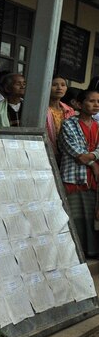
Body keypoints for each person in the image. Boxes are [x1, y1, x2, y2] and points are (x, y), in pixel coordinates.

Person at [59, 89, 99, 258]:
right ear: (79, 104)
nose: (96, 105)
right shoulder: (69, 124)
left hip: (93, 179)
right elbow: (76, 152)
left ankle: (91, 251)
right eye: (91, 101)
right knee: (75, 217)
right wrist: (94, 164)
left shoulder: (98, 126)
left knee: (92, 216)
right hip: (75, 177)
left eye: (98, 102)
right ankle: (75, 254)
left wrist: (92, 156)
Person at [47, 75, 76, 157]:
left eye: (63, 85)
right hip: (48, 151)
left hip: (66, 153)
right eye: (54, 85)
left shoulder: (69, 110)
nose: (59, 88)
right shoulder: (42, 109)